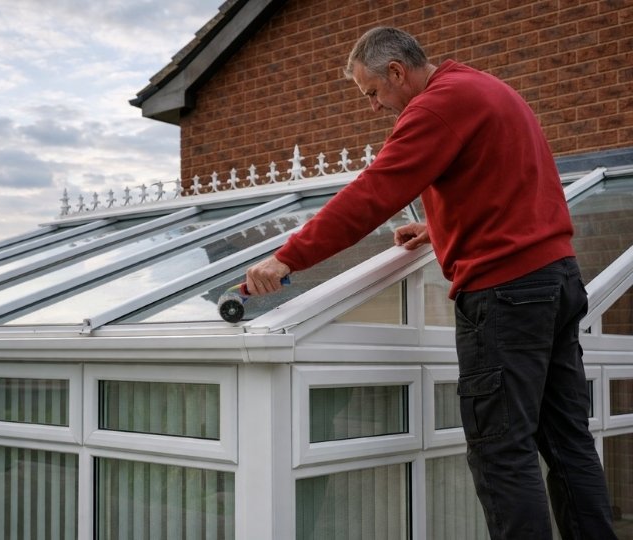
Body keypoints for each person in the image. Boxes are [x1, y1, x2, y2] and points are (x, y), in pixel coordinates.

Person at [245, 27, 617, 539]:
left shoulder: (435, 108)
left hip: (505, 291)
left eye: (372, 93)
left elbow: (373, 192)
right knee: (567, 441)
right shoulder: (483, 88)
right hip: (556, 279)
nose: (374, 107)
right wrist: (440, 228)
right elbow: (510, 184)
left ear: (397, 72)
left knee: (500, 450)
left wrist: (288, 258)